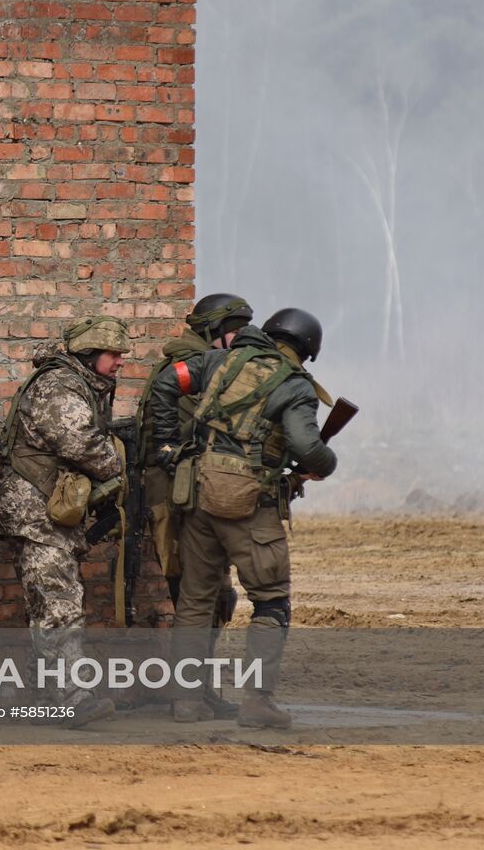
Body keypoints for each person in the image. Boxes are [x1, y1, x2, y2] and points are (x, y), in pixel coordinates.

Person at [148, 308, 338, 729]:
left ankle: (186, 703)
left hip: (194, 492)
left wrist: (165, 445)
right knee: (271, 601)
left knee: (195, 601)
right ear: (306, 351)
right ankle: (258, 701)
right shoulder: (293, 385)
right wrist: (326, 463)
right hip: (248, 503)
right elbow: (308, 449)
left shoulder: (218, 361)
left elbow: (166, 382)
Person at [0, 314, 130, 726]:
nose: (120, 362)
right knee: (59, 604)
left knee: (44, 605)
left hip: (43, 514)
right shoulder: (59, 385)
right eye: (114, 354)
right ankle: (74, 696)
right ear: (90, 352)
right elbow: (79, 441)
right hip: (34, 514)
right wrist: (119, 461)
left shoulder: (81, 383)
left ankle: (49, 697)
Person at [134, 293, 253, 718]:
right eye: (234, 329)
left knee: (213, 597)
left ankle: (197, 691)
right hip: (175, 496)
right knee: (194, 595)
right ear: (212, 332)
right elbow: (191, 434)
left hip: (195, 496)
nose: (241, 338)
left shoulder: (210, 365)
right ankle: (189, 694)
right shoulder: (190, 370)